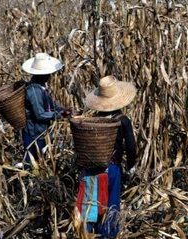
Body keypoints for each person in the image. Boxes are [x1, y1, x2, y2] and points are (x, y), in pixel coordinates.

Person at [75, 75, 137, 238]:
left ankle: (87, 234)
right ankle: (108, 235)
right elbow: (131, 147)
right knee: (111, 205)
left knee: (90, 204)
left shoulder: (93, 121)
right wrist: (131, 166)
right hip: (113, 168)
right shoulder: (122, 120)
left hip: (91, 170)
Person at [20, 52, 71, 170]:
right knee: (32, 165)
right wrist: (60, 114)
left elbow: (50, 104)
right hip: (34, 134)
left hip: (40, 132)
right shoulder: (34, 91)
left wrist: (63, 109)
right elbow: (40, 115)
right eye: (48, 73)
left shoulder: (41, 87)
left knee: (40, 162)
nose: (50, 75)